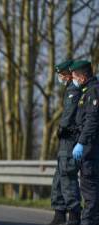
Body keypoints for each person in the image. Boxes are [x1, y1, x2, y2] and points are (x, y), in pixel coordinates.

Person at [48, 60, 82, 225]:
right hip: (65, 140)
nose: (60, 78)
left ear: (69, 74)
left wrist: (62, 128)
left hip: (70, 139)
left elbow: (69, 115)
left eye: (61, 75)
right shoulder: (69, 89)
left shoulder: (75, 90)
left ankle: (74, 214)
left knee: (67, 176)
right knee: (59, 178)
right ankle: (59, 212)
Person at [70, 60, 99, 225]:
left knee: (90, 194)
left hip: (91, 149)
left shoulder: (93, 91)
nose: (73, 79)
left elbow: (92, 121)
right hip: (90, 148)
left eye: (74, 76)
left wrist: (81, 142)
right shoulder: (88, 91)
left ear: (81, 76)